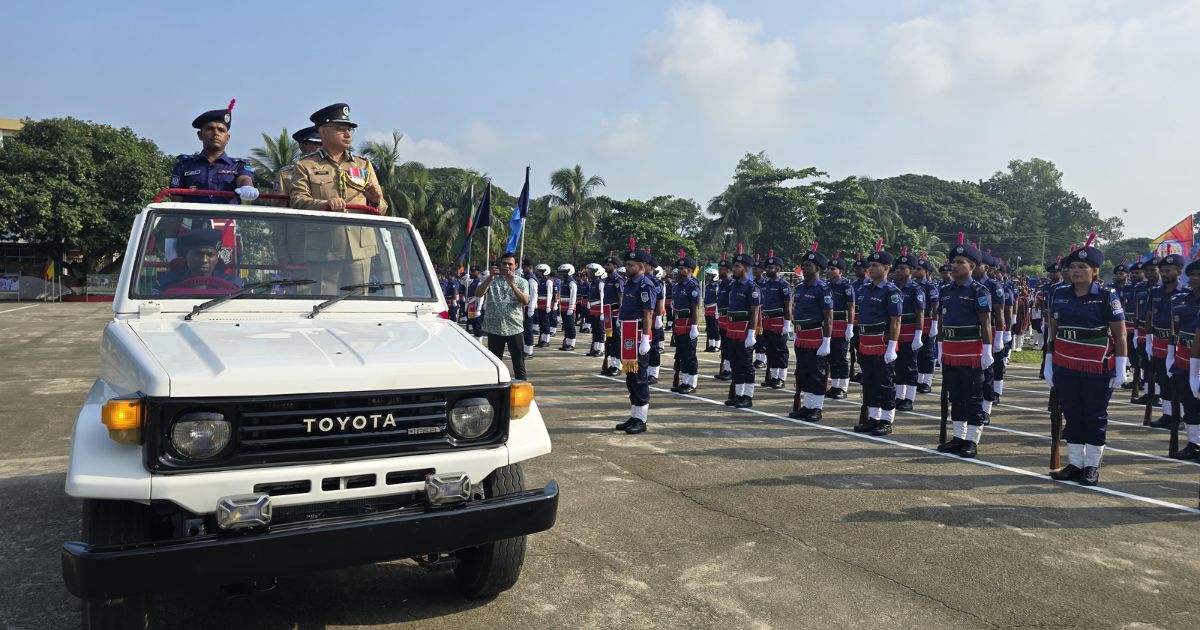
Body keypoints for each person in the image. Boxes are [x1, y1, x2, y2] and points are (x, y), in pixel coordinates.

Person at [1046, 238, 1127, 486]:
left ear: (1094, 271)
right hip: (1066, 364)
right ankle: (1075, 463)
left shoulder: (1106, 295)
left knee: (1094, 415)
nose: (1076, 271)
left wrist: (1121, 367)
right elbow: (1053, 330)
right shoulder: (1059, 293)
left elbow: (1120, 332)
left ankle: (1091, 465)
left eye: (1082, 267)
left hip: (1096, 367)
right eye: (1073, 267)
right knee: (1072, 413)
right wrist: (1049, 361)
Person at [288, 103, 388, 293]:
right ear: (323, 132)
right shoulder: (305, 165)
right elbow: (297, 201)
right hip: (324, 249)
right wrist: (324, 204)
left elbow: (382, 209)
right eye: (341, 129)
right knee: (323, 305)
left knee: (357, 307)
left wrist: (375, 200)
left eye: (349, 129)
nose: (348, 134)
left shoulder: (364, 165)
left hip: (361, 250)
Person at [935, 238, 994, 458]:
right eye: (953, 262)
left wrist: (987, 350)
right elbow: (941, 321)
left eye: (961, 262)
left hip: (971, 352)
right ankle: (958, 437)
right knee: (956, 396)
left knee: (973, 396)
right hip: (951, 351)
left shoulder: (979, 291)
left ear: (971, 266)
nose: (955, 265)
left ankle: (972, 440)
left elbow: (986, 322)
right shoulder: (946, 290)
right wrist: (940, 348)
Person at [853, 246, 902, 436]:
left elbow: (895, 320)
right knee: (870, 382)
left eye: (875, 265)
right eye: (870, 265)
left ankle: (886, 420)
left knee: (885, 383)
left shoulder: (891, 291)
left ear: (886, 268)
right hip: (866, 343)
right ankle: (873, 418)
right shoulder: (864, 289)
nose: (870, 269)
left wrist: (892, 346)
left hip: (882, 344)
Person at [170, 101, 257, 205]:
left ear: (227, 138)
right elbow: (176, 204)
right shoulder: (183, 165)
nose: (216, 133)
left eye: (221, 130)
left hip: (226, 220)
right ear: (200, 135)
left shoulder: (239, 165)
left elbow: (244, 178)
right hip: (195, 220)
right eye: (210, 129)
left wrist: (246, 186)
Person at [614, 249, 657, 434]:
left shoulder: (645, 285)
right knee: (630, 377)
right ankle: (634, 414)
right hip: (627, 332)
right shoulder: (629, 284)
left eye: (631, 265)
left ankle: (641, 419)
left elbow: (648, 313)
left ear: (641, 267)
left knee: (640, 378)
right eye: (627, 264)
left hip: (639, 333)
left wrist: (646, 339)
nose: (627, 267)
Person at [790, 246, 833, 420]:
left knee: (817, 373)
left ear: (817, 269)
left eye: (808, 265)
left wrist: (827, 341)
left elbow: (828, 317)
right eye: (804, 265)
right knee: (804, 372)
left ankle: (817, 407)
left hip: (816, 336)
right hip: (801, 337)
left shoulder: (823, 289)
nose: (804, 268)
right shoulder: (800, 288)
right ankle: (807, 405)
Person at [1143, 253, 1186, 427]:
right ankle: (1168, 414)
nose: (1164, 273)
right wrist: (1147, 340)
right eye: (1163, 270)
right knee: (1163, 380)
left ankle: (1181, 415)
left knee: (1179, 382)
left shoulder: (1186, 293)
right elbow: (1148, 316)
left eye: (1169, 270)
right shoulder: (1155, 292)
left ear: (1179, 272)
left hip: (1178, 345)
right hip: (1159, 344)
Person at [477, 252, 531, 380]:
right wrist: (489, 277)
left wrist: (512, 284)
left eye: (510, 264)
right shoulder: (492, 280)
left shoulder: (522, 282)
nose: (507, 266)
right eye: (504, 263)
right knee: (495, 364)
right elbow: (478, 294)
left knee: (519, 364)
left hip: (514, 327)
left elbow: (525, 301)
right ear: (500, 264)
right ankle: (495, 393)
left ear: (516, 266)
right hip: (495, 328)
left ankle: (522, 392)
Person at [722, 251, 762, 408]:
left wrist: (751, 333)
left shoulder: (752, 287)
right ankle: (738, 394)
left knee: (746, 364)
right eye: (734, 266)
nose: (734, 269)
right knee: (735, 363)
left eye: (738, 266)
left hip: (744, 330)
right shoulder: (733, 285)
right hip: (732, 329)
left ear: (746, 268)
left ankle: (747, 396)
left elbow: (755, 312)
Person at [155, 228, 244, 292]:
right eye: (197, 254)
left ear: (217, 258)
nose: (204, 260)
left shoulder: (233, 284)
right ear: (186, 256)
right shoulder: (166, 284)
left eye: (210, 254)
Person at [891, 250, 926, 412]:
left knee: (910, 365)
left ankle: (909, 398)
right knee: (898, 365)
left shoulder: (915, 289)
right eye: (897, 268)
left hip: (910, 332)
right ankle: (899, 396)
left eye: (903, 268)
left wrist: (918, 335)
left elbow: (920, 314)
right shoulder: (893, 288)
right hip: (896, 333)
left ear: (911, 271)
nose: (898, 271)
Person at [1172, 261, 1200, 459]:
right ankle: (1193, 443)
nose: (1195, 278)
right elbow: (1175, 328)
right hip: (1183, 358)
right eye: (1192, 275)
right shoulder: (1180, 299)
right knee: (1188, 403)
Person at [759, 250, 793, 389]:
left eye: (771, 268)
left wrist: (787, 324)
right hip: (767, 321)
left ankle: (781, 377)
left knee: (780, 350)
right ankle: (773, 376)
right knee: (770, 350)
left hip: (779, 321)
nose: (768, 270)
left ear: (778, 269)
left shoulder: (784, 285)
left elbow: (788, 305)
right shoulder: (766, 284)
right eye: (767, 267)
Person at [824, 253, 856, 399]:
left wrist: (850, 326)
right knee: (831, 357)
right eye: (829, 268)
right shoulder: (826, 286)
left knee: (841, 356)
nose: (830, 271)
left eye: (833, 269)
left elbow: (851, 307)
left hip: (841, 324)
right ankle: (834, 384)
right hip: (829, 324)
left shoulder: (846, 286)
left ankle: (842, 387)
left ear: (841, 271)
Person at [670, 254, 702, 394]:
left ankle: (692, 383)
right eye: (679, 268)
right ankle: (684, 381)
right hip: (679, 324)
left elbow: (696, 307)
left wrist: (694, 326)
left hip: (689, 324)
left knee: (690, 355)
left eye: (682, 268)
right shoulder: (677, 286)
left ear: (689, 270)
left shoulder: (692, 285)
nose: (679, 270)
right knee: (681, 354)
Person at [272, 126, 322, 203]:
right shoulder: (285, 174)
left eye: (322, 143)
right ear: (302, 145)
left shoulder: (336, 170)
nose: (320, 147)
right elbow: (280, 206)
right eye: (316, 143)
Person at [914, 256, 941, 393]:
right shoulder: (911, 285)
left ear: (927, 273)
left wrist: (935, 325)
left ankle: (927, 381)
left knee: (928, 353)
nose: (916, 271)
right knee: (916, 353)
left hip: (928, 323)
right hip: (914, 324)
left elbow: (935, 306)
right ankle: (918, 379)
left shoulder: (931, 287)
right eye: (915, 269)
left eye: (919, 269)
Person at [600, 256, 624, 375]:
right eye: (606, 265)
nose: (606, 267)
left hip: (615, 312)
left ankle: (617, 365)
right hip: (608, 312)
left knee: (616, 339)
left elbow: (621, 297)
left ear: (615, 267)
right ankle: (612, 363)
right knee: (609, 339)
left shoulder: (617, 280)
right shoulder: (607, 280)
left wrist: (620, 314)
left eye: (609, 265)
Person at [714, 256, 735, 381]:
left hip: (729, 319)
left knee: (730, 346)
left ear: (728, 271)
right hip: (722, 319)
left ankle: (730, 369)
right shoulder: (721, 285)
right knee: (725, 346)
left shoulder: (731, 284)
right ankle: (726, 369)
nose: (719, 271)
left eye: (721, 269)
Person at [556, 264, 578, 350]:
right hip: (564, 307)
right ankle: (567, 343)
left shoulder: (572, 282)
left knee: (570, 325)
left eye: (565, 271)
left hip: (569, 307)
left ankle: (571, 344)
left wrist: (571, 307)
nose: (563, 273)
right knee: (566, 325)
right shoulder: (564, 282)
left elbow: (573, 296)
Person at [703, 268, 721, 353]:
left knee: (715, 328)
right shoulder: (707, 286)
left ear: (714, 276)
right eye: (707, 276)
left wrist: (717, 311)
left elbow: (718, 299)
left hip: (714, 309)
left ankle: (717, 345)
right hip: (707, 309)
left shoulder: (717, 286)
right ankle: (711, 345)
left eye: (709, 276)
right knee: (709, 328)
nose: (708, 277)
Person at [465, 266, 485, 339]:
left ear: (478, 272)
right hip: (471, 307)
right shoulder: (472, 282)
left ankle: (479, 344)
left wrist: (478, 309)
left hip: (476, 308)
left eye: (473, 271)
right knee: (470, 327)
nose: (471, 273)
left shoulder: (479, 283)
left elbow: (480, 297)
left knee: (477, 328)